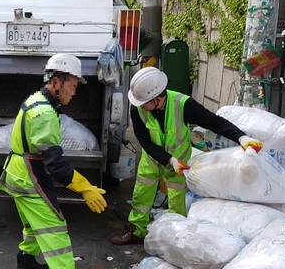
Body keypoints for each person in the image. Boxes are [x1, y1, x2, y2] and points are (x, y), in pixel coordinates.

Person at [0, 53, 108, 269]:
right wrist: (84, 188)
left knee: (33, 223)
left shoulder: (36, 100)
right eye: (72, 85)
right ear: (57, 82)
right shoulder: (45, 113)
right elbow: (55, 163)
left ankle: (26, 263)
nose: (74, 92)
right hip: (28, 176)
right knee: (53, 225)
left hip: (17, 172)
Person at [110, 67, 263, 245]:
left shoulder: (183, 104)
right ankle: (137, 231)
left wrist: (241, 137)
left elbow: (213, 122)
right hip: (152, 160)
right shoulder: (138, 109)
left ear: (157, 99)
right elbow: (144, 141)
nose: (140, 106)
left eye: (144, 103)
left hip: (180, 165)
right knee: (141, 197)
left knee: (176, 202)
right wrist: (169, 160)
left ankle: (173, 239)